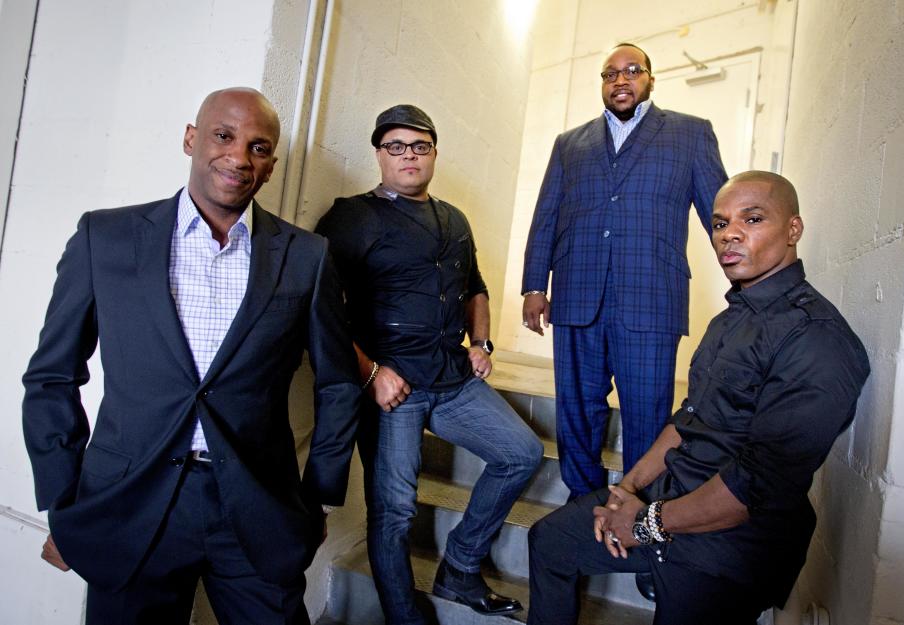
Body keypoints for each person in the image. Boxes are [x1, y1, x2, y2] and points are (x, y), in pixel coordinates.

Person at [22, 87, 361, 625]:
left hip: (256, 509)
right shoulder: (104, 237)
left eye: (258, 147)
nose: (238, 157)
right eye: (224, 136)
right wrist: (66, 505)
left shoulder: (307, 257)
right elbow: (51, 377)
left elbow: (339, 385)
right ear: (191, 138)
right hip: (130, 505)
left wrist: (318, 495)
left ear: (271, 166)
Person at [526, 171, 871, 625]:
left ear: (793, 230)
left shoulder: (817, 340)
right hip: (669, 500)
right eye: (719, 222)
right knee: (549, 539)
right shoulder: (730, 321)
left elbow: (754, 488)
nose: (730, 234)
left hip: (729, 545)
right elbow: (688, 418)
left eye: (752, 219)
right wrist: (628, 489)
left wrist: (645, 522)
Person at [315, 104, 543, 625]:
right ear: (379, 154)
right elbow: (321, 310)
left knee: (522, 453)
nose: (408, 156)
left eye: (419, 146)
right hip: (392, 389)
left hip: (452, 379)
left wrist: (481, 343)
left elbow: (475, 287)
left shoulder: (453, 219)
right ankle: (402, 613)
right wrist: (371, 372)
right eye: (395, 146)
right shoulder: (351, 217)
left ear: (434, 153)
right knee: (394, 511)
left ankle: (459, 569)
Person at [521, 43, 728, 502]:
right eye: (610, 73)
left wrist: (748, 281)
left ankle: (635, 504)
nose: (621, 79)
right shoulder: (569, 144)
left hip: (651, 298)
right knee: (577, 409)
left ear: (650, 79)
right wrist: (536, 285)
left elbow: (719, 214)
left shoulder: (690, 135)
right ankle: (582, 498)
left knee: (647, 415)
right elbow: (547, 216)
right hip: (576, 296)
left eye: (632, 70)